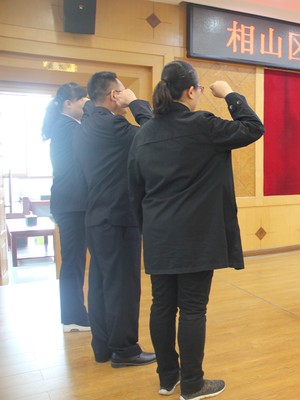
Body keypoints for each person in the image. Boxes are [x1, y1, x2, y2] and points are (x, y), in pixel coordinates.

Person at [128, 60, 265, 399]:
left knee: (162, 306)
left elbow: (135, 189)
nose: (202, 93)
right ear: (190, 91)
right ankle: (191, 384)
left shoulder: (144, 132)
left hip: (158, 234)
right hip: (195, 236)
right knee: (192, 309)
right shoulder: (202, 125)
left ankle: (167, 377)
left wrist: (148, 230)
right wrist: (230, 93)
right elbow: (253, 126)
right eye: (200, 89)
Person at [73, 71, 156, 368]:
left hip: (96, 216)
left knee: (100, 282)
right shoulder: (112, 124)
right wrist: (135, 103)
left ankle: (104, 346)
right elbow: (154, 133)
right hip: (118, 216)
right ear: (113, 95)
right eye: (122, 90)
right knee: (123, 284)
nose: (125, 93)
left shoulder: (87, 123)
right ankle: (125, 349)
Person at [41, 82, 90, 333]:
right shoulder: (68, 127)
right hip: (72, 204)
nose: (87, 104)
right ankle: (73, 317)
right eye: (83, 100)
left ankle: (75, 314)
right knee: (72, 261)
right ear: (67, 104)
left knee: (74, 260)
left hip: (70, 203)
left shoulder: (65, 126)